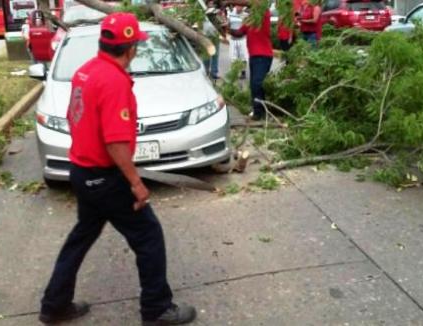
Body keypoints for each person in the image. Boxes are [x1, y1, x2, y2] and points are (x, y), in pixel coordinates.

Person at [38, 13, 197, 326]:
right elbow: (115, 142)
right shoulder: (114, 81)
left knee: (81, 236)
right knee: (148, 235)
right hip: (104, 176)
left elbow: (74, 117)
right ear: (131, 48)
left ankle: (53, 305)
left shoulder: (85, 72)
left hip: (82, 172)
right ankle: (156, 309)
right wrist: (135, 183)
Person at [230, 1, 274, 121]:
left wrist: (228, 1)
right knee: (256, 85)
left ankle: (258, 113)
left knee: (256, 84)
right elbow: (238, 33)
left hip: (263, 55)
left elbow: (254, 4)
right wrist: (225, 27)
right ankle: (262, 110)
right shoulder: (250, 20)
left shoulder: (264, 13)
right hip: (254, 56)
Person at [228, 5, 248, 79]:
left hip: (242, 39)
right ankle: (234, 72)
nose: (239, 8)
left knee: (243, 56)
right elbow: (228, 24)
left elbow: (246, 26)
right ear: (236, 6)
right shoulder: (230, 13)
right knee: (233, 57)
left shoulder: (245, 15)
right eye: (238, 6)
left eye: (241, 7)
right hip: (233, 39)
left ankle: (243, 72)